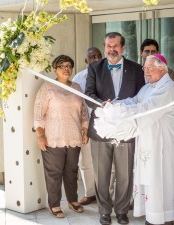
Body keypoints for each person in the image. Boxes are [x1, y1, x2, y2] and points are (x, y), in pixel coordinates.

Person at [113, 54, 174, 225]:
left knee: (161, 180)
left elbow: (148, 109)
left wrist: (122, 114)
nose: (145, 71)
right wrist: (116, 105)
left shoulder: (168, 87)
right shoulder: (148, 87)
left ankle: (164, 218)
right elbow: (134, 101)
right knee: (150, 180)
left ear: (162, 68)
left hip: (163, 146)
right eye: (144, 68)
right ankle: (153, 216)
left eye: (149, 68)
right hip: (148, 143)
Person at [85, 32, 145, 225]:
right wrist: (101, 104)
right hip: (101, 130)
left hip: (126, 130)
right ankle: (104, 211)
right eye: (108, 46)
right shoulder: (94, 68)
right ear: (104, 47)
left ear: (123, 47)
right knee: (101, 174)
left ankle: (121, 211)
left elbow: (142, 95)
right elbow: (89, 94)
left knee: (125, 174)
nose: (112, 50)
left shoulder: (137, 69)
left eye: (115, 46)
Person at [34, 55, 89, 218]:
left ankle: (73, 200)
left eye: (69, 66)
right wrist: (40, 136)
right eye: (62, 66)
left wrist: (85, 130)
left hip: (74, 137)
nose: (66, 69)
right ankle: (55, 204)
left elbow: (84, 111)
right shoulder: (47, 87)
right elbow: (38, 113)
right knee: (54, 173)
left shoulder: (77, 87)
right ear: (55, 69)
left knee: (72, 171)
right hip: (53, 137)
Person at [73, 47, 102, 205]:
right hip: (85, 124)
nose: (96, 59)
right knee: (85, 161)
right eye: (92, 57)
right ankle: (90, 193)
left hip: (104, 124)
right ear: (86, 61)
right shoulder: (78, 78)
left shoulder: (108, 75)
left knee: (106, 162)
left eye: (98, 56)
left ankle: (106, 194)